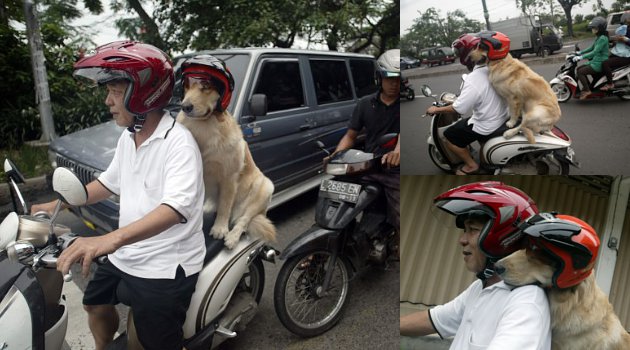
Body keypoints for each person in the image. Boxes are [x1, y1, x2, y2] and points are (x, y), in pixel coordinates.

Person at [31, 41, 205, 350]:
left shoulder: (179, 143)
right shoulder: (130, 138)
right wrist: (59, 203)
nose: (108, 102)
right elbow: (108, 184)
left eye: (114, 92)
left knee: (157, 343)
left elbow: (174, 209)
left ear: (142, 94)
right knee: (94, 303)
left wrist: (107, 240)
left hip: (165, 264)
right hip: (128, 253)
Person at [400, 181, 552, 349]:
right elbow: (434, 320)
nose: (462, 240)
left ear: (503, 238)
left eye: (472, 229)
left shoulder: (525, 302)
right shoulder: (481, 288)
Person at [330, 48, 400, 256]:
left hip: (393, 171)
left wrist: (398, 151)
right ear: (379, 78)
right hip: (367, 166)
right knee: (334, 193)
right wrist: (336, 154)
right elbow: (351, 135)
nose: (394, 84)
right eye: (389, 79)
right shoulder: (364, 104)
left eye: (398, 79)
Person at [426, 32, 510, 175]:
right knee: (468, 123)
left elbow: (459, 108)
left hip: (486, 124)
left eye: (460, 53)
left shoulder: (473, 79)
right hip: (503, 117)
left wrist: (436, 110)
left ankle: (471, 165)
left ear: (466, 54)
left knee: (449, 136)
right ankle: (484, 153)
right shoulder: (498, 68)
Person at [574, 16, 610, 99]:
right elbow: (591, 48)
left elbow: (594, 52)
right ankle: (588, 87)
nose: (593, 29)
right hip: (596, 61)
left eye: (594, 27)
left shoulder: (602, 39)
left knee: (580, 72)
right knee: (579, 69)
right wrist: (579, 52)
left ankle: (587, 90)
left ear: (600, 28)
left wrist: (581, 57)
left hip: (599, 62)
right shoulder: (599, 37)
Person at [601, 12, 630, 91]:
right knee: (603, 60)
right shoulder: (625, 28)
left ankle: (610, 84)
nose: (626, 21)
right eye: (626, 19)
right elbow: (618, 42)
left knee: (605, 63)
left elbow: (625, 41)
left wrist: (625, 39)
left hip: (627, 56)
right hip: (620, 54)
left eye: (627, 19)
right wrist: (613, 42)